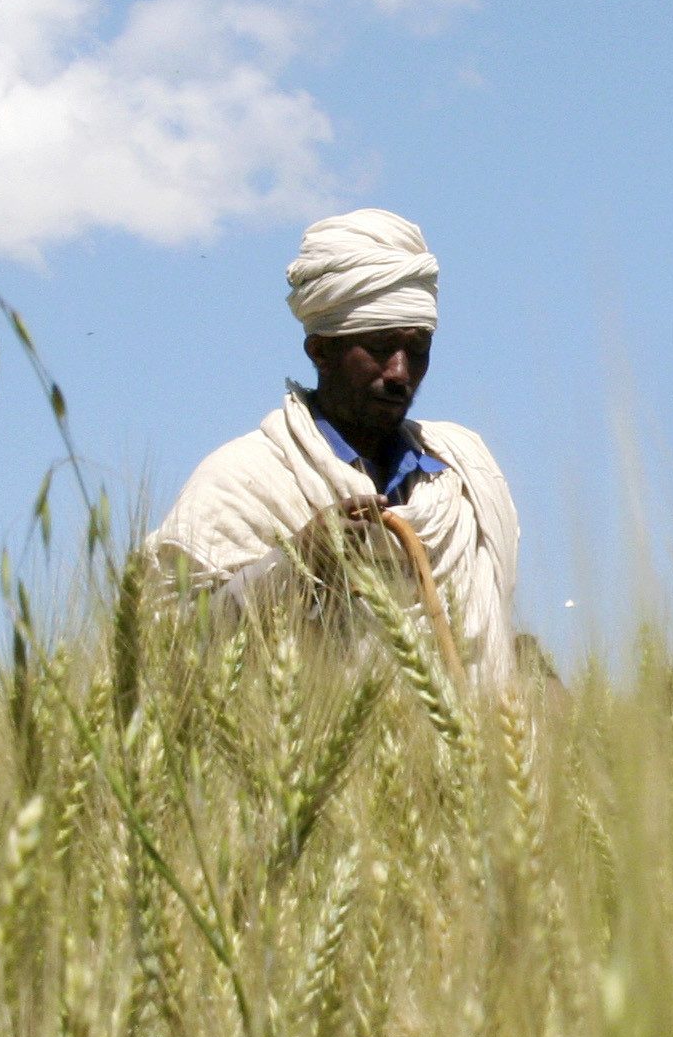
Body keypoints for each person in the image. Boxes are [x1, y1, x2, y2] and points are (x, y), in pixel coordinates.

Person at [148, 208, 522, 685]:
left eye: (419, 348)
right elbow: (171, 655)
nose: (401, 374)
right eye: (382, 347)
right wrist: (294, 565)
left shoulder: (463, 474)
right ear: (320, 351)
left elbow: (491, 627)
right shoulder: (242, 480)